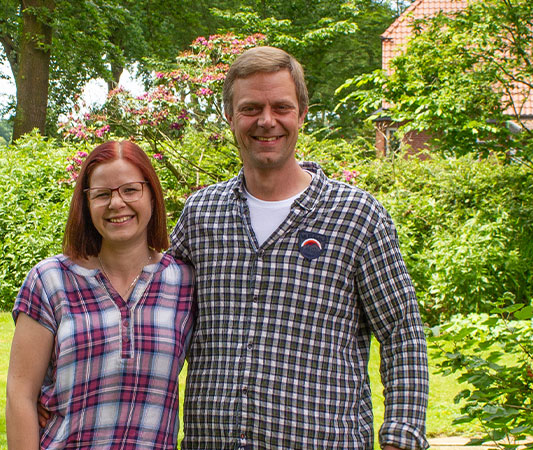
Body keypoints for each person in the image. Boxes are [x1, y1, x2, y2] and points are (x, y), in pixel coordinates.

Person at [170, 46, 430, 449]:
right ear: (230, 117)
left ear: (302, 114)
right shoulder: (201, 215)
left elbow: (402, 333)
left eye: (281, 107)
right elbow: (150, 315)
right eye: (251, 108)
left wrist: (401, 437)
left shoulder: (356, 216)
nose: (267, 121)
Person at [6, 140, 193, 450]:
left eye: (130, 190)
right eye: (102, 194)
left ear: (152, 195)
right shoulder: (51, 280)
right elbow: (21, 395)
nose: (116, 203)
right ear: (86, 203)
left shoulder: (183, 283)